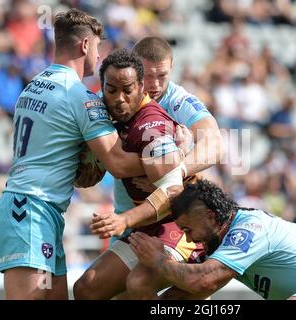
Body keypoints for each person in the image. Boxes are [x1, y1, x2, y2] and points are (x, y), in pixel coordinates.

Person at [0, 9, 146, 300]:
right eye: (98, 47)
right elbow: (120, 164)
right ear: (85, 46)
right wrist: (173, 159)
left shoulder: (31, 87)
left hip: (36, 209)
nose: (99, 56)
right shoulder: (80, 96)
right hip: (30, 209)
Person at [73, 37, 225, 299]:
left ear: (172, 68)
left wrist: (174, 169)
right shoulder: (112, 98)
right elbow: (93, 169)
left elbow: (215, 145)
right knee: (88, 289)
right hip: (136, 220)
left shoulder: (177, 101)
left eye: (162, 75)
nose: (155, 85)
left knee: (140, 284)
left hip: (176, 218)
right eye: (148, 75)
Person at [129, 179, 296, 300]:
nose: (188, 238)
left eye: (188, 229)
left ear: (210, 216)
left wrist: (158, 260)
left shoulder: (249, 230)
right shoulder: (218, 242)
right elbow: (191, 292)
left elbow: (202, 279)